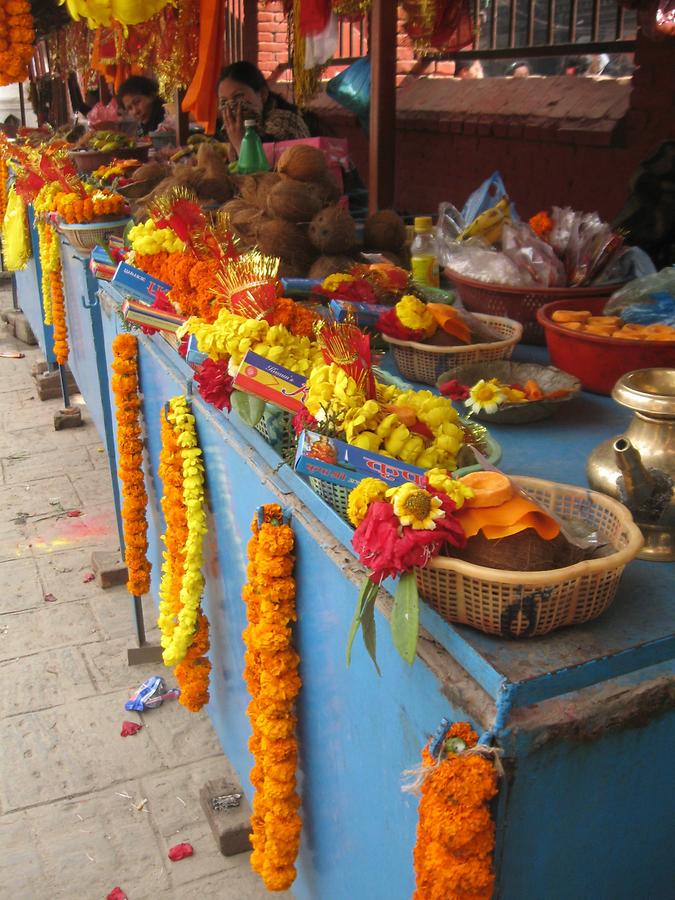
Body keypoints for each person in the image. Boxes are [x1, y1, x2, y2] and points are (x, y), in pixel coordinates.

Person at [217, 61, 310, 156]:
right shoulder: (235, 128)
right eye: (224, 101)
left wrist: (240, 142)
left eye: (239, 96)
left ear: (263, 94)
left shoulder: (287, 123)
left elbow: (265, 166)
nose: (230, 106)